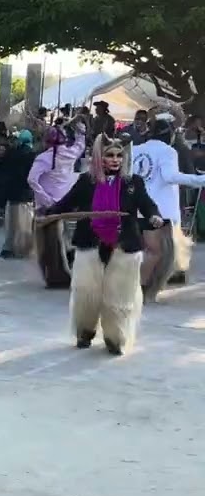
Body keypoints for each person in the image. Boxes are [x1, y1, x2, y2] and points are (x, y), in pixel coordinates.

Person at [44, 134, 162, 355]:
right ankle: (85, 331)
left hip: (124, 243)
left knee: (120, 295)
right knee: (86, 291)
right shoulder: (86, 181)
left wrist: (155, 216)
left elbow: (147, 205)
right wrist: (48, 214)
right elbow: (66, 203)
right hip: (91, 241)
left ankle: (115, 337)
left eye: (119, 155)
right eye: (110, 155)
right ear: (100, 157)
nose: (116, 160)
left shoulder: (132, 183)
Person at [131, 111, 205, 300]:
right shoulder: (167, 151)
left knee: (144, 251)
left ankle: (141, 290)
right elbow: (170, 176)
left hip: (137, 207)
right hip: (158, 209)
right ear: (169, 134)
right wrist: (200, 179)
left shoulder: (136, 149)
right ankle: (137, 291)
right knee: (158, 253)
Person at [28, 121, 84, 288]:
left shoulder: (43, 158)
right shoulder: (71, 153)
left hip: (49, 207)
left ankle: (55, 276)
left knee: (49, 244)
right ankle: (66, 273)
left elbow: (31, 179)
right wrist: (81, 130)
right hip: (67, 203)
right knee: (64, 240)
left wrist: (45, 199)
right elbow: (80, 145)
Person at [0, 130, 37, 259]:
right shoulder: (32, 155)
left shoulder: (11, 153)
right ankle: (23, 249)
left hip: (11, 193)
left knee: (11, 224)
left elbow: (1, 169)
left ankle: (8, 248)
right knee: (24, 224)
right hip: (25, 194)